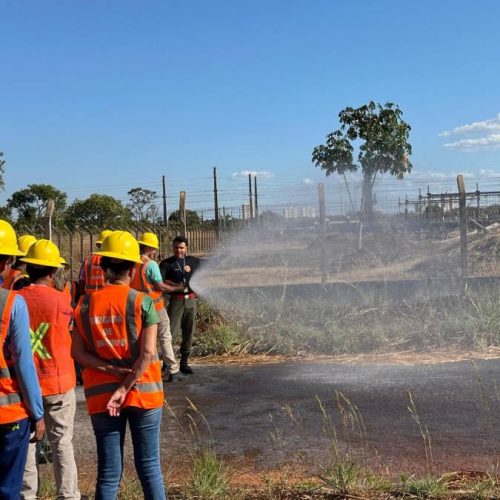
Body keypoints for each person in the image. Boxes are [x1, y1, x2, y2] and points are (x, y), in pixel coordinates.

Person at [72, 231, 166, 500]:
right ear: (134, 267)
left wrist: (111, 372)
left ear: (104, 267)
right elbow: (148, 353)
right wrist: (125, 386)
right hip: (144, 393)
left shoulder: (85, 304)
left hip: (102, 396)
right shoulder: (142, 301)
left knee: (109, 473)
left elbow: (77, 353)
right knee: (149, 467)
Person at [18, 240, 80, 500]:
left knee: (28, 445)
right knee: (62, 442)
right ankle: (67, 495)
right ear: (53, 272)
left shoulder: (14, 299)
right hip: (59, 383)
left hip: (23, 385)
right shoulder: (62, 301)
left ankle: (27, 495)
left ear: (28, 268)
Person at [0, 220, 45, 499]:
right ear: (6, 261)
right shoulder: (11, 302)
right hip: (8, 415)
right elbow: (25, 365)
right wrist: (38, 414)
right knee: (7, 489)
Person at [130, 232, 184, 382]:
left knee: (144, 340)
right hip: (155, 307)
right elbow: (160, 286)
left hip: (137, 307)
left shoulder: (131, 263)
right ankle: (173, 370)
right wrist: (177, 288)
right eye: (153, 248)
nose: (154, 252)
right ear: (148, 248)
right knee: (164, 337)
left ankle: (146, 369)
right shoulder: (151, 265)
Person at [159, 236, 201, 375]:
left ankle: (184, 362)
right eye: (176, 247)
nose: (179, 250)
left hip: (191, 301)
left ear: (186, 248)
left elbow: (210, 265)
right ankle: (167, 363)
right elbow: (162, 281)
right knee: (172, 332)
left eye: (181, 247)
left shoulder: (193, 261)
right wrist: (175, 286)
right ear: (173, 247)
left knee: (189, 331)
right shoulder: (167, 264)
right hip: (176, 301)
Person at [77, 229, 113, 297]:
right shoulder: (113, 261)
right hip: (107, 298)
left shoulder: (87, 260)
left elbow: (81, 283)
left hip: (91, 299)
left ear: (98, 245)